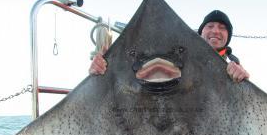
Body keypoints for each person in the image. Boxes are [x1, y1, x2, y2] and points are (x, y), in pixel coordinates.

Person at [89, 10, 249, 82]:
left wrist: (241, 80)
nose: (216, 31)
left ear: (228, 36)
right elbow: (129, 79)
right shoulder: (178, 57)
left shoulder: (233, 67)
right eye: (210, 26)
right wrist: (102, 71)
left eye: (222, 28)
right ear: (201, 32)